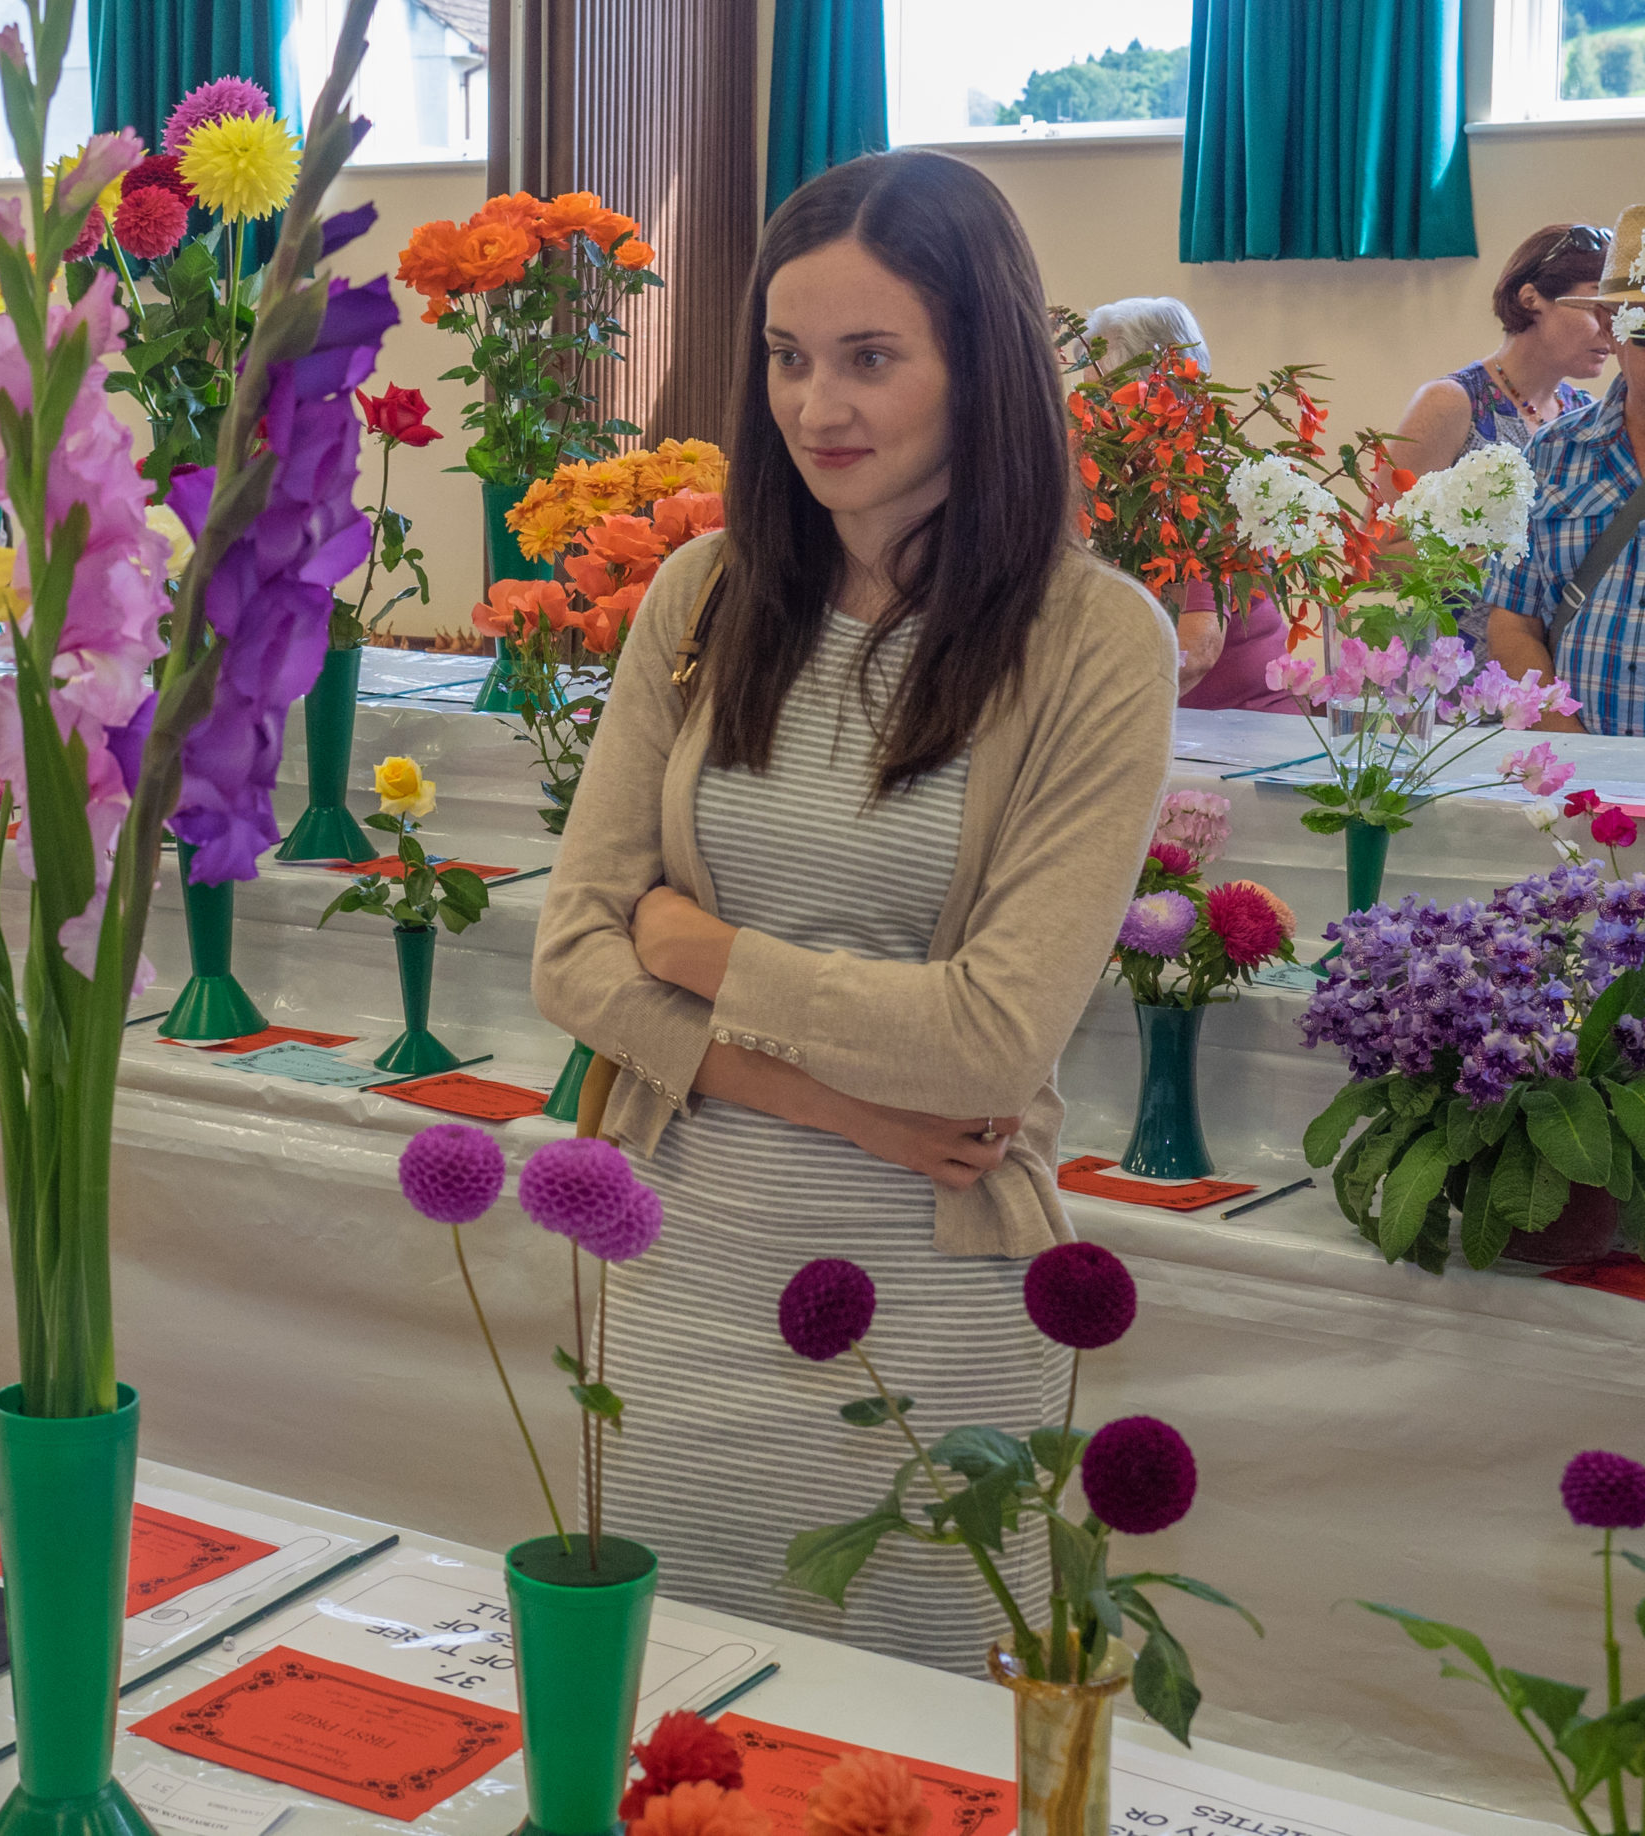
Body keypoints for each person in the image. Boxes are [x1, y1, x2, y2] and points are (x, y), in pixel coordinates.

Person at [532, 150, 1175, 1672]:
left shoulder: (1092, 644)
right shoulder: (703, 595)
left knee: (917, 1735)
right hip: (683, 1263)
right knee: (678, 1710)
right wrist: (847, 1104)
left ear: (981, 366)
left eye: (871, 359)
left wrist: (700, 952)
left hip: (929, 1302)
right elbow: (574, 956)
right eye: (787, 356)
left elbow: (987, 1041)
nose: (817, 406)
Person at [1388, 222, 1616, 656]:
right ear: (1531, 299)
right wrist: (1510, 561)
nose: (1609, 329)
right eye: (1594, 308)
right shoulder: (1452, 402)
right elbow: (1380, 552)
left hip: (1549, 674)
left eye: (1616, 313)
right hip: (1454, 678)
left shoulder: (1584, 414)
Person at [1083, 296, 1301, 711]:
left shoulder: (1197, 487)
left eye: (1103, 394)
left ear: (1158, 392)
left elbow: (1196, 653)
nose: (1092, 413)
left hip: (1237, 739)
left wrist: (1091, 708)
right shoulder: (1121, 484)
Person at [1487, 207, 1645, 734]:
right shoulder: (1554, 452)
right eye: (1644, 328)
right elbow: (1513, 621)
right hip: (1578, 787)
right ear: (1611, 329)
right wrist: (1571, 752)